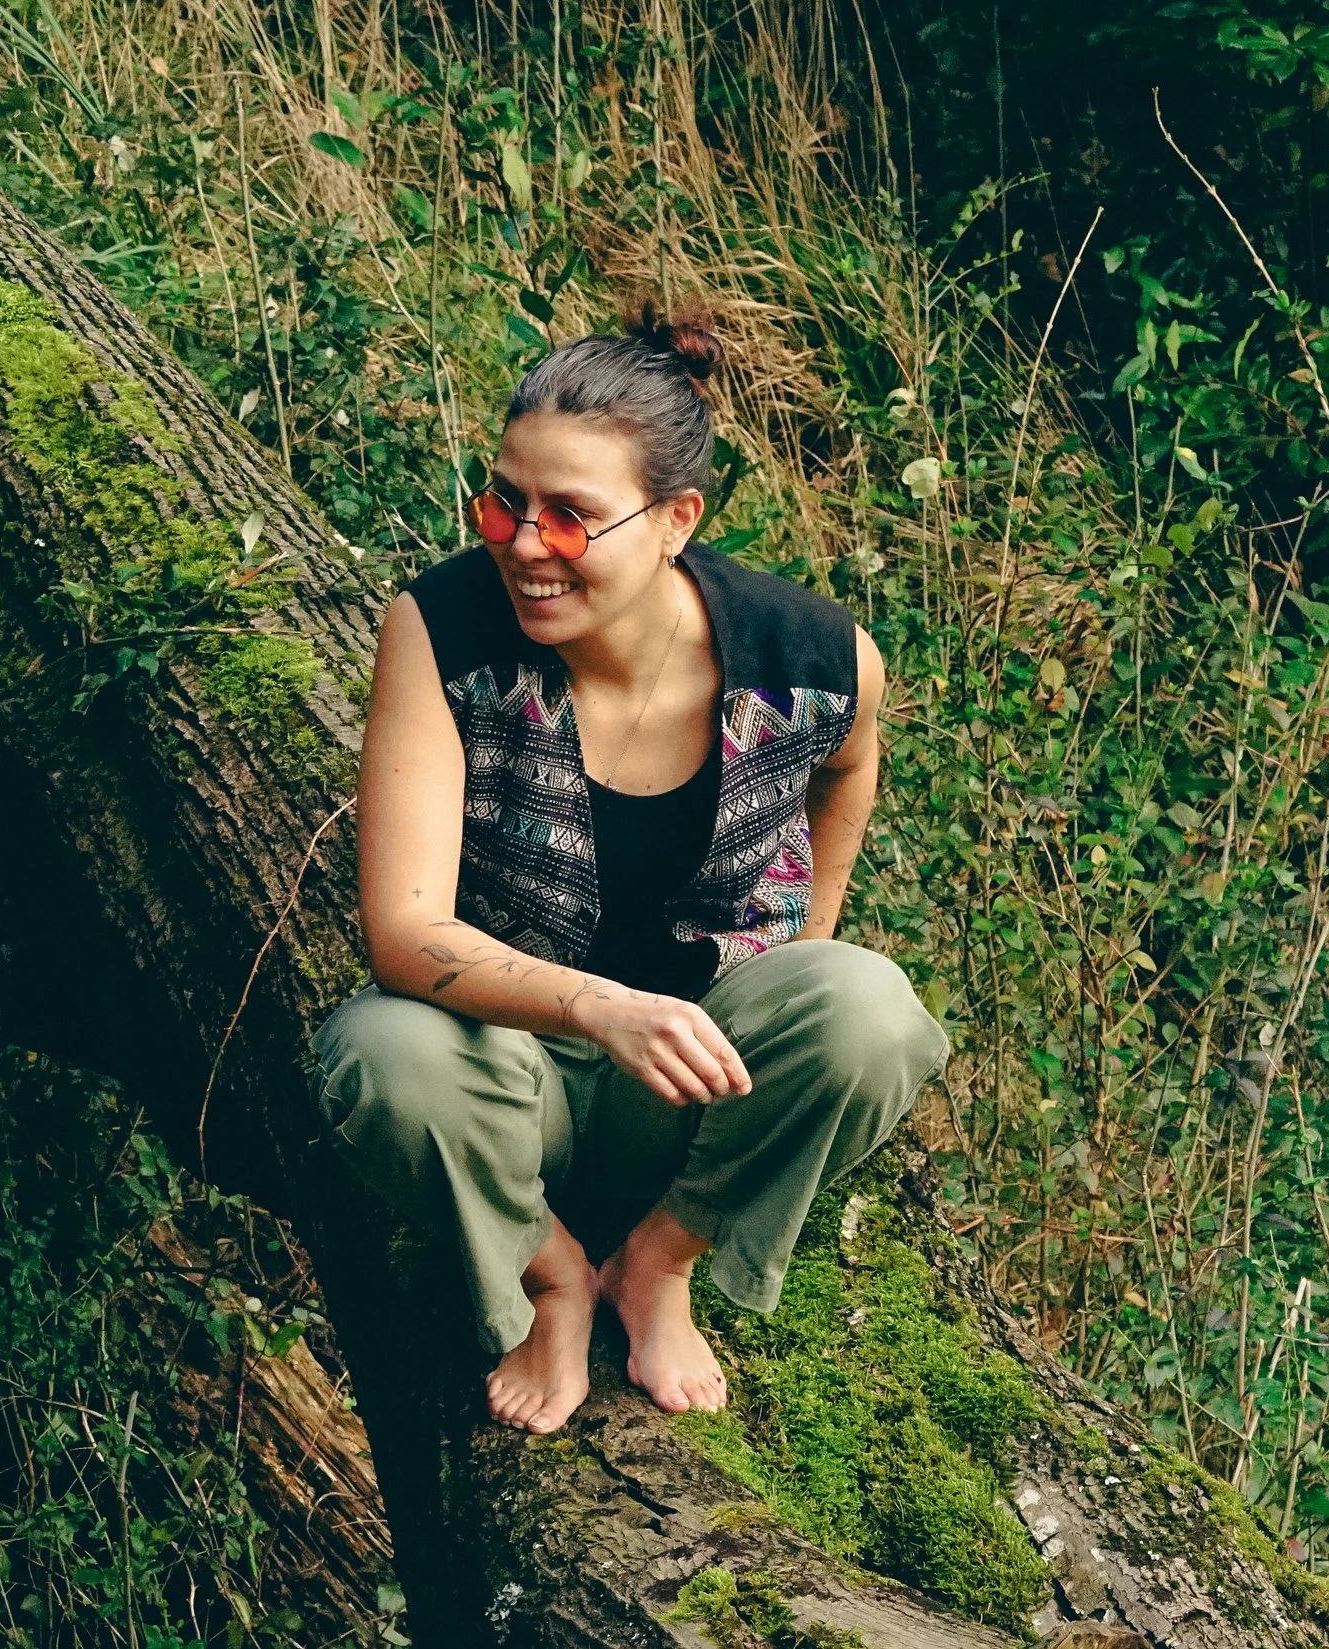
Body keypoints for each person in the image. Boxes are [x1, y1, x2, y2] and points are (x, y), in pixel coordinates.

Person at [312, 306, 947, 1435]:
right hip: (511, 1068)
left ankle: (662, 1258)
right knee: (378, 1055)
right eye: (504, 499)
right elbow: (401, 936)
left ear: (674, 521)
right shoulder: (443, 626)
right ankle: (550, 1276)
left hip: (684, 1088)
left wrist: (804, 942)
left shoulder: (809, 656)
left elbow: (847, 760)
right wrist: (604, 1008)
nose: (522, 543)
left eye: (571, 516)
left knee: (869, 1012)